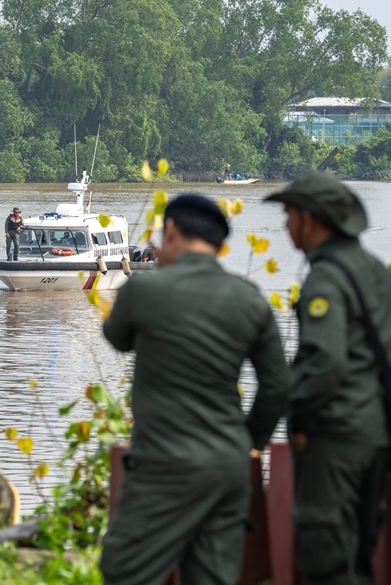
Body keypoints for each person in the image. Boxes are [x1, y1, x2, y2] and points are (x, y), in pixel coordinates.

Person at [99, 194, 289, 585]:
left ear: (170, 230)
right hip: (227, 467)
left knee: (125, 571)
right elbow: (277, 386)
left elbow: (117, 338)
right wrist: (246, 442)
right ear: (219, 244)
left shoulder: (145, 291)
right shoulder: (250, 299)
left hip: (165, 463)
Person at [265, 172, 391, 585]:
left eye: (289, 215)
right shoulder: (375, 270)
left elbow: (324, 360)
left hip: (335, 437)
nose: (285, 225)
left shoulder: (324, 279)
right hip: (376, 439)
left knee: (325, 559)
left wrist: (301, 420)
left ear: (311, 220)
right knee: (359, 555)